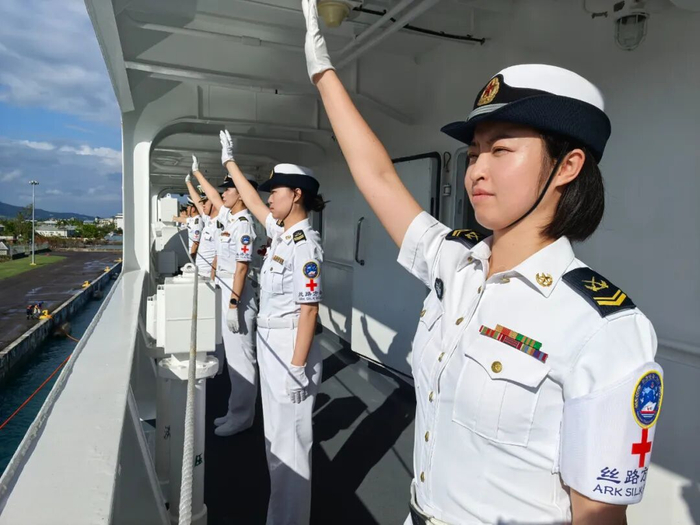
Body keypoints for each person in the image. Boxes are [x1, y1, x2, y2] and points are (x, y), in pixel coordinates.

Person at [300, 3, 663, 524]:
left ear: (567, 166)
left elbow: (599, 515)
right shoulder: (458, 263)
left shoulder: (602, 329)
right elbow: (378, 178)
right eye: (473, 153)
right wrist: (324, 74)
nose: (476, 170)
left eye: (500, 150)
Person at [218, 129, 326, 525]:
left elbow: (309, 312)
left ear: (296, 195)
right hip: (271, 342)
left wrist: (297, 368)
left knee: (290, 445)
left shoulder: (305, 246)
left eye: (275, 192)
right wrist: (229, 161)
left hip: (289, 347)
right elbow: (248, 198)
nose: (268, 199)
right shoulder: (282, 234)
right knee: (275, 441)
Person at [190, 155, 260, 437]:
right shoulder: (229, 218)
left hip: (237, 294)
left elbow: (242, 268)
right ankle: (235, 411)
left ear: (241, 194)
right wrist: (196, 174)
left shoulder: (243, 224)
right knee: (233, 358)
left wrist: (233, 305)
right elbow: (210, 198)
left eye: (229, 189)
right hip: (227, 288)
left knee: (241, 359)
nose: (224, 194)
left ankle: (243, 417)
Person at [184, 177, 218, 279]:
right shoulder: (209, 220)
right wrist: (188, 183)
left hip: (209, 275)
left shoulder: (219, 225)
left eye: (205, 202)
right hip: (200, 272)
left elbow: (219, 255)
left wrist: (213, 278)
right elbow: (197, 201)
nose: (202, 205)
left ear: (214, 202)